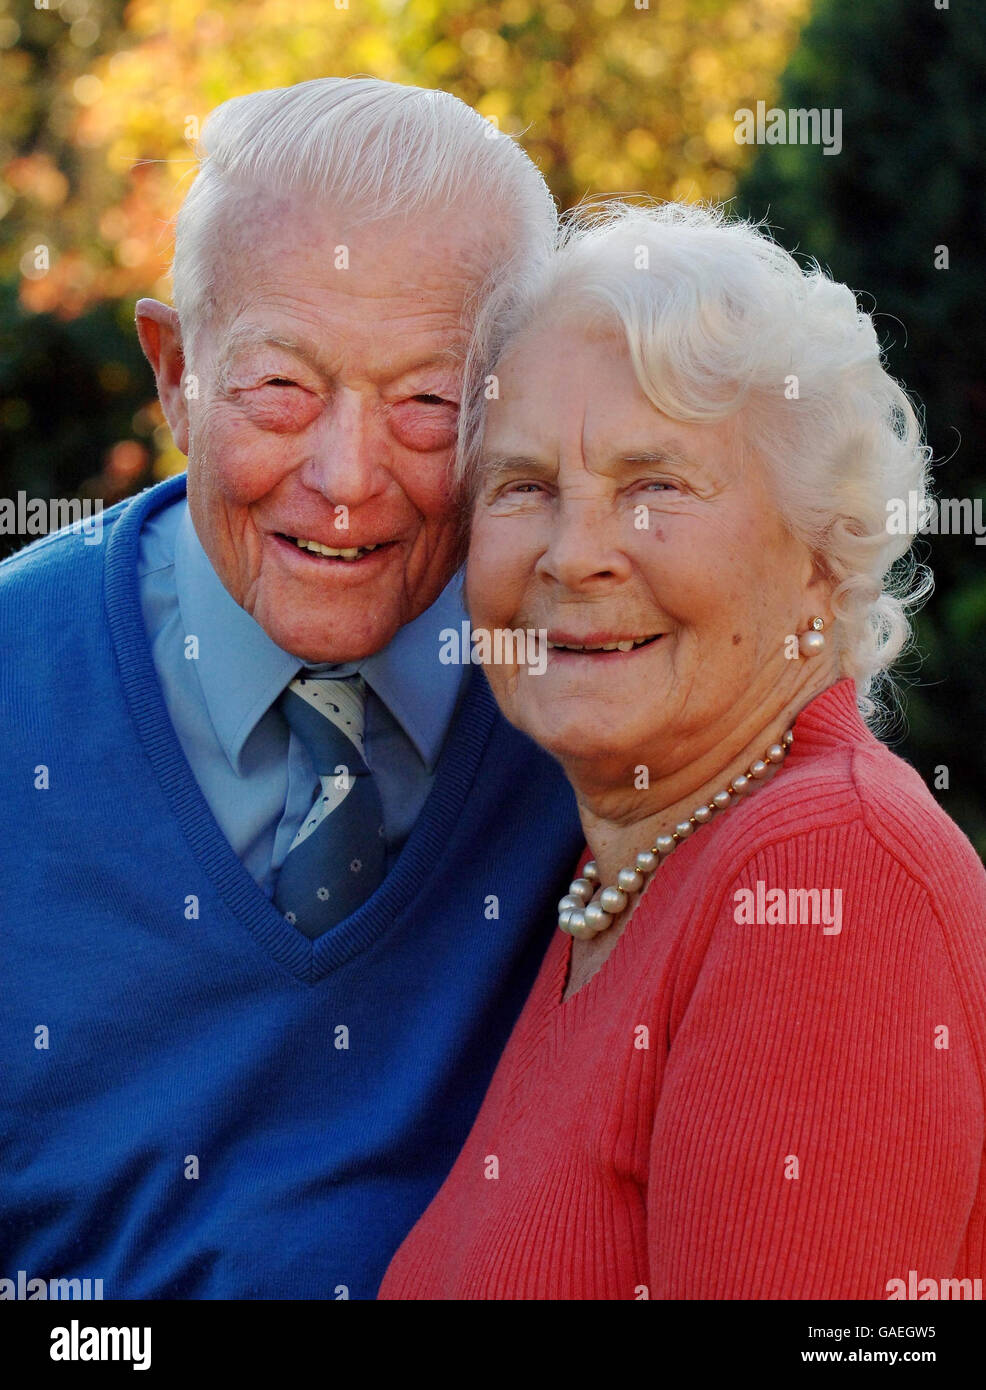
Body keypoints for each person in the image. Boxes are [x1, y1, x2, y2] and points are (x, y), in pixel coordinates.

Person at [0, 77, 583, 1300]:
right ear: (174, 374)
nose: (345, 476)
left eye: (428, 401)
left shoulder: (601, 685)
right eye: (280, 387)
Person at [379, 201, 986, 1300]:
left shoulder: (824, 880)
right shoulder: (629, 866)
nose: (575, 553)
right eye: (522, 487)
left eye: (653, 486)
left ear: (819, 550)